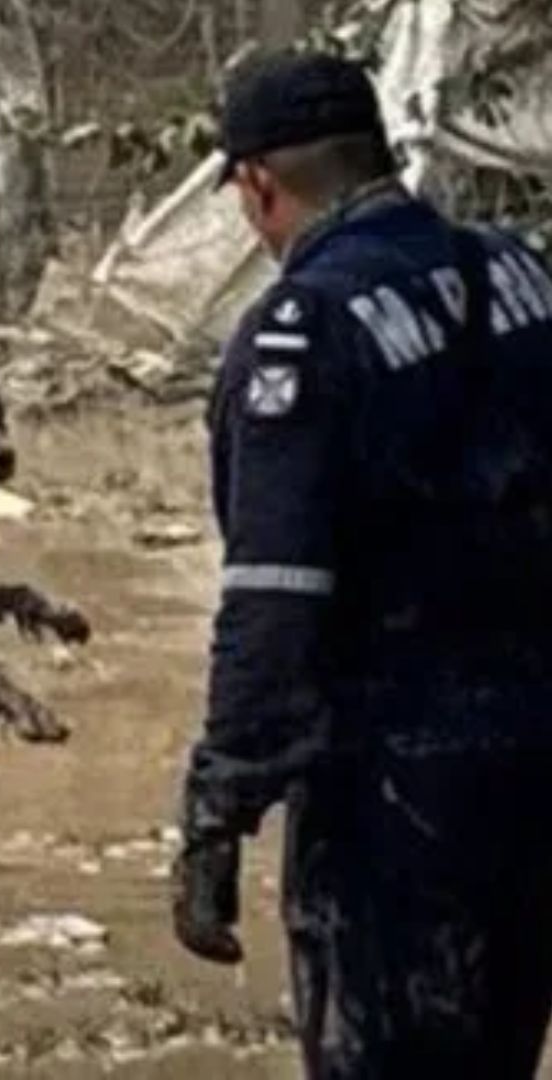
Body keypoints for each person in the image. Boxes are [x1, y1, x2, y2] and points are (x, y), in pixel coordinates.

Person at [170, 50, 552, 1079]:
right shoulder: (520, 271)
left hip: (391, 786)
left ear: (258, 186)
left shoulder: (302, 333)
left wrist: (219, 808)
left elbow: (274, 597)